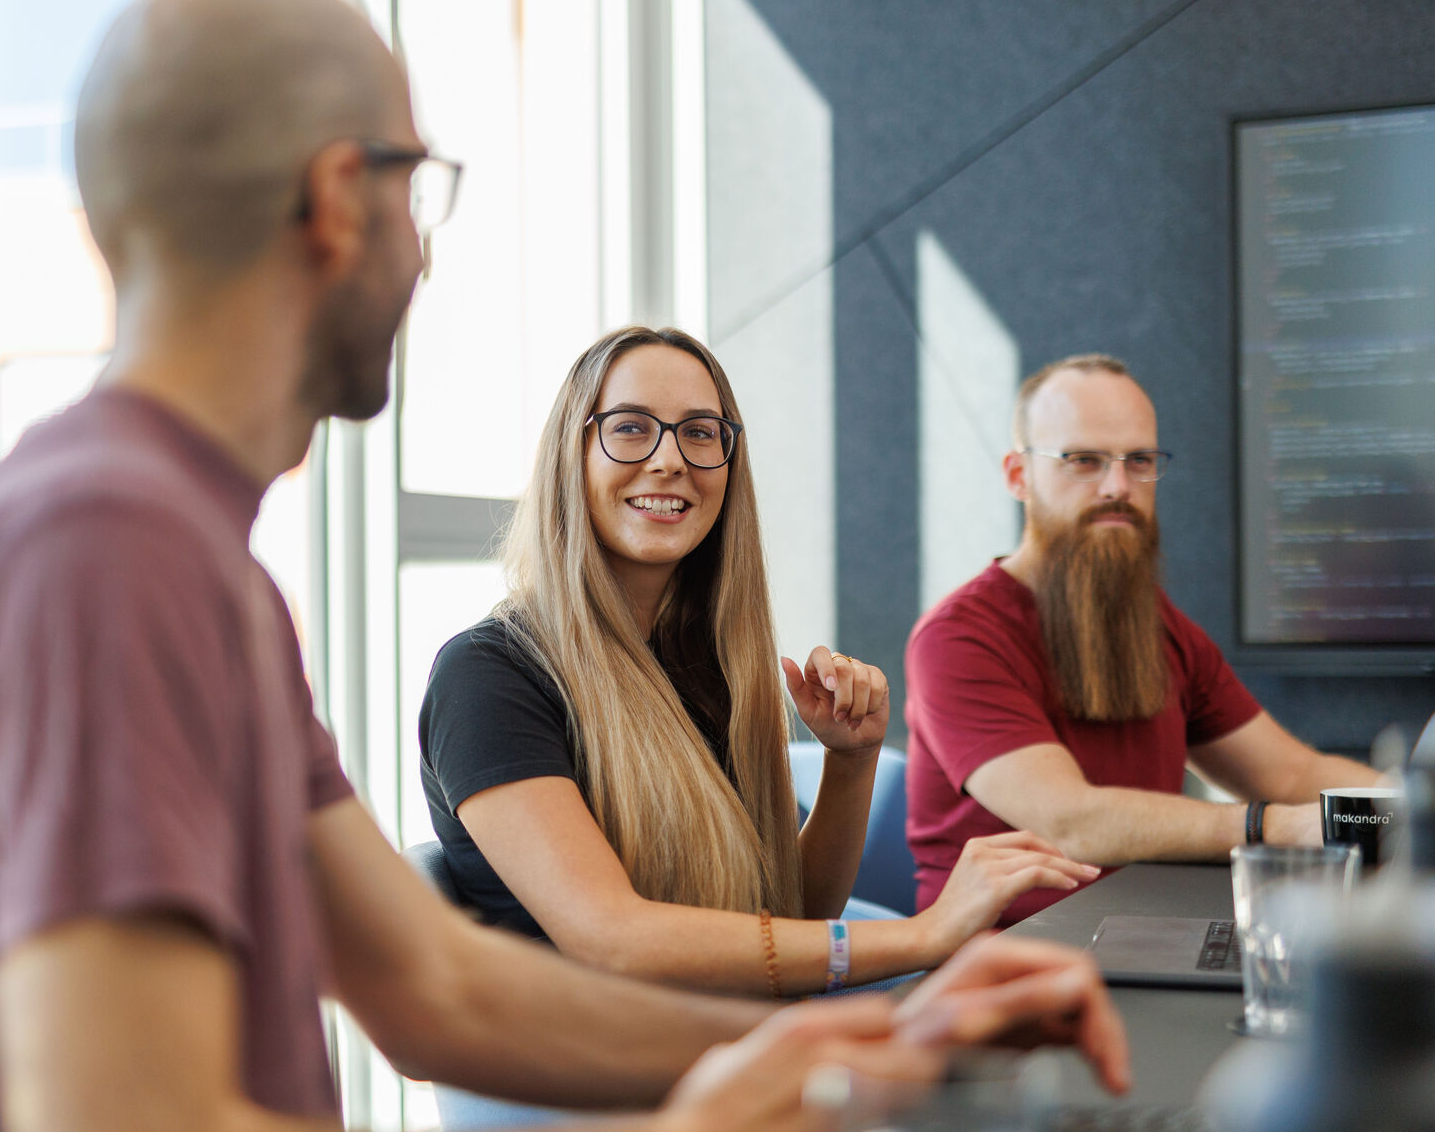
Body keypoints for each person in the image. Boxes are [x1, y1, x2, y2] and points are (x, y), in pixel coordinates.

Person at [0, 0, 1133, 1129]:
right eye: (416, 188)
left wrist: (857, 1042)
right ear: (332, 200)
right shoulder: (107, 550)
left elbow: (434, 987)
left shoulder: (199, 568)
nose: (423, 249)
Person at [420, 325, 1100, 998]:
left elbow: (791, 912)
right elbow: (616, 941)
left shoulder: (702, 662)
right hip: (612, 1088)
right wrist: (928, 933)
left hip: (733, 1040)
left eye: (700, 432)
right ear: (573, 454)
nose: (669, 459)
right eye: (630, 427)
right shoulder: (487, 677)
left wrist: (850, 760)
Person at [905, 353, 1383, 925]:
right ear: (1017, 475)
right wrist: (1277, 825)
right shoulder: (957, 638)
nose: (1118, 486)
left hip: (1143, 933)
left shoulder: (1158, 626)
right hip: (997, 961)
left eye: (1139, 461)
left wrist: (1411, 800)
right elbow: (1072, 820)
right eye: (1084, 461)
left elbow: (1292, 775)